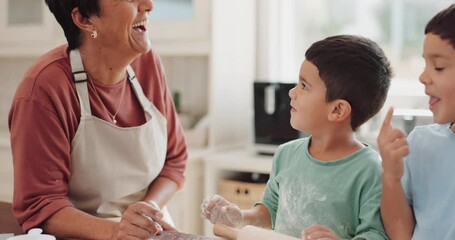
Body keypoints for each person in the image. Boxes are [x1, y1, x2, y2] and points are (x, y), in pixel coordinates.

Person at [8, 0, 188, 239]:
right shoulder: (44, 90)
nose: (148, 4)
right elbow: (41, 206)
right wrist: (117, 231)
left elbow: (175, 160)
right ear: (84, 19)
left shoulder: (147, 64)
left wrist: (146, 212)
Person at [201, 35, 392, 240]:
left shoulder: (369, 169)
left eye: (304, 86)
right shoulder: (286, 154)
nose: (292, 93)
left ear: (337, 109)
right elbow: (269, 211)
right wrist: (239, 216)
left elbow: (375, 234)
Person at [377, 4, 455, 240]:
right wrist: (390, 176)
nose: (423, 77)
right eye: (425, 64)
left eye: (439, 66)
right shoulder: (419, 144)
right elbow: (401, 233)